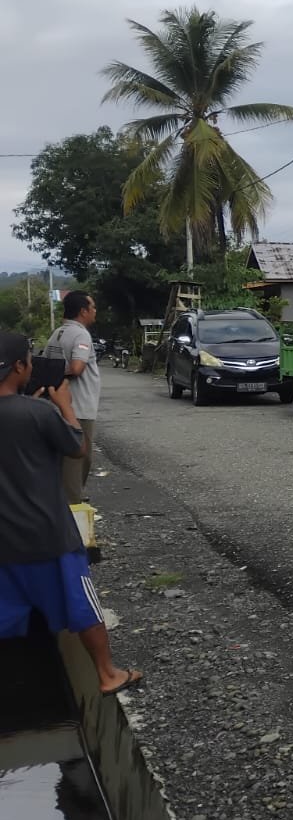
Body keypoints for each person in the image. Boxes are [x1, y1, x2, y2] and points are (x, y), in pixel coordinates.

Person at [0, 330, 141, 695]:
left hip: (5, 543)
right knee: (82, 605)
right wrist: (64, 405)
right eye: (28, 360)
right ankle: (108, 674)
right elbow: (77, 447)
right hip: (49, 537)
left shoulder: (30, 410)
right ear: (19, 367)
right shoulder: (38, 412)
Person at [43, 291, 100, 505]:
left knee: (64, 461)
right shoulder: (81, 335)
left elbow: (44, 365)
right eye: (92, 307)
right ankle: (72, 507)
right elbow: (77, 368)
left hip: (56, 406)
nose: (95, 311)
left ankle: (63, 501)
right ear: (83, 311)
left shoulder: (57, 333)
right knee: (78, 459)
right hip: (79, 408)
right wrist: (61, 373)